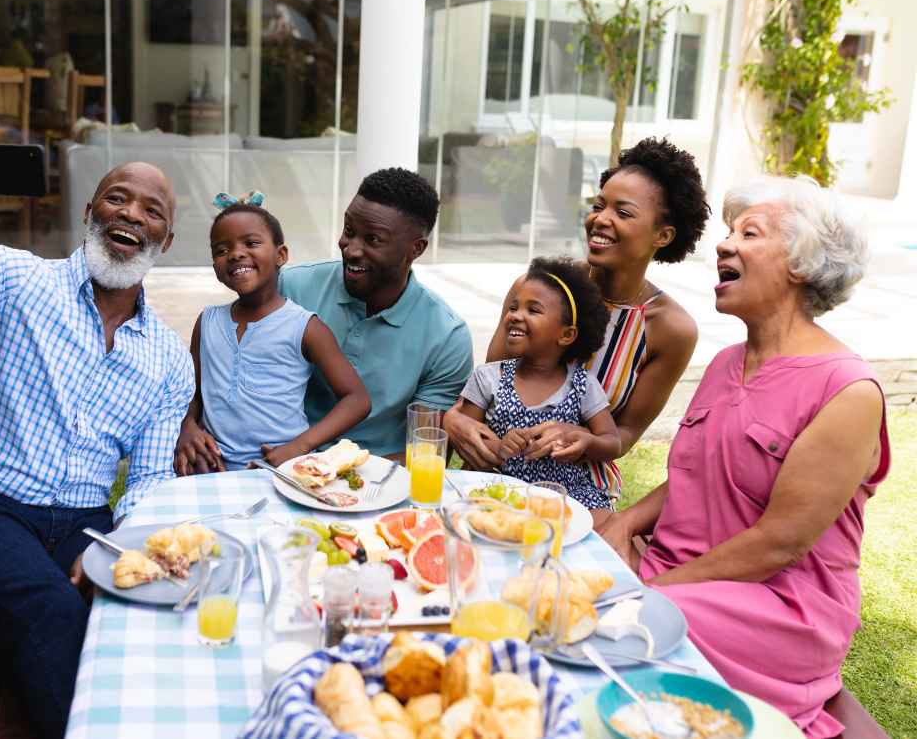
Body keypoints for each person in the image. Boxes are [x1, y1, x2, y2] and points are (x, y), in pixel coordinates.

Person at [0, 133, 194, 739]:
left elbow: (150, 477)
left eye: (152, 210)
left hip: (82, 523)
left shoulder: (170, 361)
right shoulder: (13, 282)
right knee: (53, 615)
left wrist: (117, 543)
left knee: (142, 611)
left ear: (166, 240)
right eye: (116, 199)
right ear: (90, 213)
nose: (131, 214)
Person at [598, 175, 890, 737]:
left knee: (606, 625)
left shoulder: (848, 390)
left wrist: (653, 591)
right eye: (729, 231)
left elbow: (780, 542)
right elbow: (697, 476)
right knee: (554, 543)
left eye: (747, 233)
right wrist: (626, 521)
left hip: (776, 605)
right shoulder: (726, 362)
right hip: (684, 574)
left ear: (801, 265)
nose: (723, 245)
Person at [444, 137, 710, 526]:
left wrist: (583, 440)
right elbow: (490, 384)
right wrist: (455, 420)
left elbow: (626, 434)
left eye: (624, 212)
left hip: (580, 485)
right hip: (498, 468)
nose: (601, 219)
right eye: (599, 205)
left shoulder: (671, 329)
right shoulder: (535, 289)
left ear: (662, 235)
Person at [270, 167, 474, 462]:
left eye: (373, 239)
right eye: (349, 231)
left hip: (376, 478)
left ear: (415, 249)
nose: (351, 250)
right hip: (280, 461)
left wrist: (337, 470)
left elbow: (426, 449)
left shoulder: (446, 337)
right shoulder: (289, 288)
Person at [173, 193, 371, 474]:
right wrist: (188, 426)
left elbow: (358, 399)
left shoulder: (306, 327)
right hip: (212, 470)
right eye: (221, 249)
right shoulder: (206, 321)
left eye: (251, 243)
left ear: (281, 255)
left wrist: (300, 446)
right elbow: (191, 393)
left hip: (285, 472)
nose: (236, 254)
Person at [444, 256, 620, 500]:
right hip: (497, 489)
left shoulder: (582, 384)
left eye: (533, 310)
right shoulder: (489, 377)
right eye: (514, 307)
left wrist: (586, 441)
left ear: (566, 335)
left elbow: (612, 443)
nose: (515, 315)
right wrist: (499, 447)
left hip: (562, 494)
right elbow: (470, 443)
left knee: (600, 524)